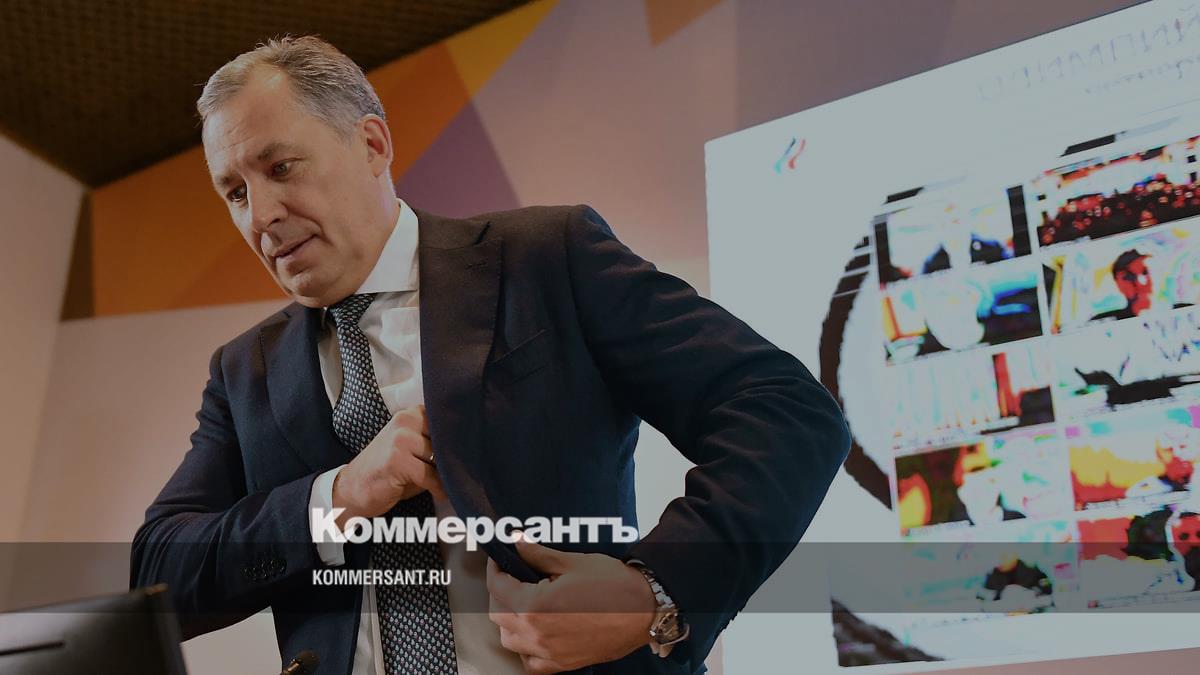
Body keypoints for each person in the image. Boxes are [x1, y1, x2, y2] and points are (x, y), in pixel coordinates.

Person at [129, 36, 850, 675]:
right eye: (235, 192)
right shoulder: (244, 371)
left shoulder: (547, 258)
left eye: (281, 167)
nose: (260, 216)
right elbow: (160, 575)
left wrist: (652, 589)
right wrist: (340, 495)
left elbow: (785, 411)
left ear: (372, 145)